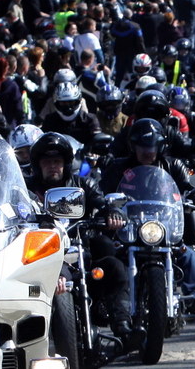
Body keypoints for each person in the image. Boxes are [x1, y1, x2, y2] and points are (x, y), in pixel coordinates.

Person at [26, 133, 138, 349]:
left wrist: (113, 212)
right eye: (47, 162)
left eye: (57, 161)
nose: (52, 166)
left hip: (80, 250)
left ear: (66, 164)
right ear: (38, 165)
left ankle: (122, 325)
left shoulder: (82, 184)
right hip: (40, 254)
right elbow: (14, 206)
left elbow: (102, 201)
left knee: (114, 266)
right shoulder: (28, 188)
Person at [98, 118, 195, 314]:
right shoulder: (119, 167)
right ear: (133, 146)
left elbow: (191, 185)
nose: (147, 151)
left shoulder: (174, 165)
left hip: (164, 224)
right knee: (111, 258)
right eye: (142, 145)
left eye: (152, 145)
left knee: (187, 254)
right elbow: (102, 194)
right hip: (129, 227)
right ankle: (108, 302)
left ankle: (193, 296)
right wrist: (110, 208)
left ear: (160, 145)